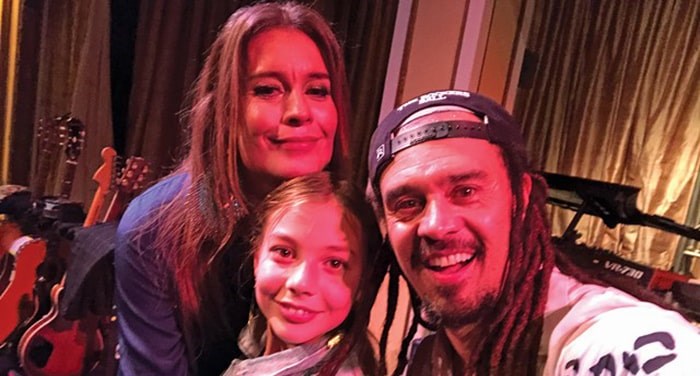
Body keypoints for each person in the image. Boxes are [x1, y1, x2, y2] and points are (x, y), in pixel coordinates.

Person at [367, 89, 700, 375]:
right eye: (409, 203)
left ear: (521, 197)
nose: (436, 225)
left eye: (466, 191)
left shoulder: (608, 339)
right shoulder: (430, 347)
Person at [114, 2, 351, 375]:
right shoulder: (153, 229)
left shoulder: (351, 224)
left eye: (318, 90)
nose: (299, 111)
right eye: (268, 89)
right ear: (223, 106)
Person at [222, 172, 386, 376]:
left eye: (334, 263)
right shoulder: (254, 339)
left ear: (363, 283)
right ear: (257, 257)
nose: (301, 282)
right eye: (284, 252)